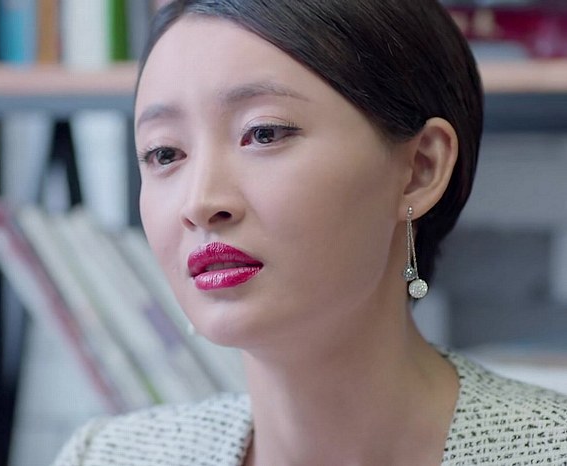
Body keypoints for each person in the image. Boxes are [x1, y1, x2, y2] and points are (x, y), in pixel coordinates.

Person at [53, 1, 567, 464]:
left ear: (419, 169)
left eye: (264, 133)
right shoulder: (107, 456)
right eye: (165, 153)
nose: (200, 203)